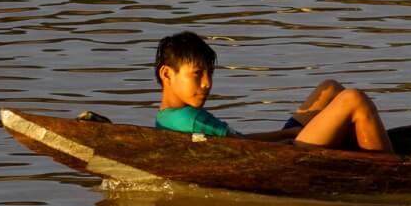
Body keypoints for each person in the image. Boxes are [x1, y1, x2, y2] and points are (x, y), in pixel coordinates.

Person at [153, 31, 394, 153]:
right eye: (197, 74)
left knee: (329, 89)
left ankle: (361, 146)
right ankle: (394, 167)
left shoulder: (166, 117)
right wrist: (289, 138)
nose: (207, 83)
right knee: (353, 99)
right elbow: (246, 147)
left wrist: (288, 132)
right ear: (167, 74)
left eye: (210, 74)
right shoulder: (191, 118)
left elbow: (240, 140)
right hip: (286, 155)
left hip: (277, 144)